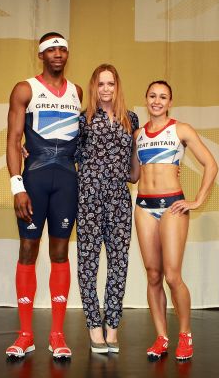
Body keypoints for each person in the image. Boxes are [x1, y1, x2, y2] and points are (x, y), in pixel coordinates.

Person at [5, 32, 83, 359]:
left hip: (66, 181)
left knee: (61, 252)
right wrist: (17, 186)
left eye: (63, 48)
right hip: (34, 181)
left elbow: (85, 141)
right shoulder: (25, 89)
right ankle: (25, 335)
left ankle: (57, 334)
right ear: (41, 55)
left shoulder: (77, 92)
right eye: (51, 49)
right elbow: (12, 140)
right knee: (27, 250)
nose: (57, 53)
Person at [132, 80, 218, 361]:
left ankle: (185, 334)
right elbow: (132, 175)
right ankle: (161, 337)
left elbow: (211, 164)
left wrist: (197, 200)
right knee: (153, 274)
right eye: (153, 96)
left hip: (172, 206)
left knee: (172, 275)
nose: (157, 101)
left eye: (163, 97)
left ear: (170, 102)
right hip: (144, 206)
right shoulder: (138, 135)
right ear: (146, 99)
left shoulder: (181, 129)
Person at [75, 64, 139, 354]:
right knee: (88, 264)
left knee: (119, 264)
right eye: (100, 84)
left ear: (117, 86)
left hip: (119, 199)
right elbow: (68, 154)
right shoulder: (83, 120)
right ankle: (94, 328)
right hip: (89, 197)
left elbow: (135, 167)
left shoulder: (132, 119)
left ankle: (112, 327)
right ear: (94, 87)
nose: (105, 89)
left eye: (110, 83)